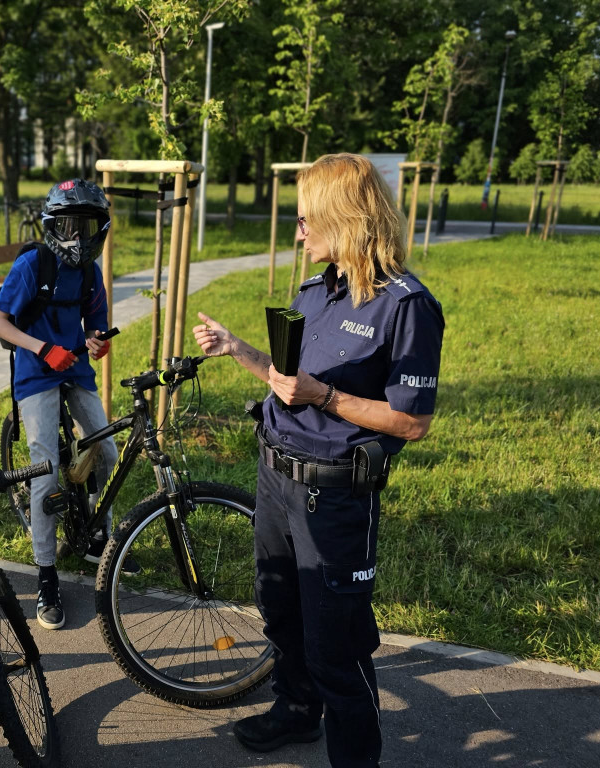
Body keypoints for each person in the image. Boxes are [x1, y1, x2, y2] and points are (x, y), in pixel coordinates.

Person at [193, 153, 444, 768]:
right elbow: (289, 382)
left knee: (337, 645)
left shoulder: (406, 306)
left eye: (306, 220)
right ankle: (297, 711)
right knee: (280, 610)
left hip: (332, 498)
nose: (299, 232)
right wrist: (237, 349)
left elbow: (412, 422)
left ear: (344, 218)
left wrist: (327, 397)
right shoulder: (315, 291)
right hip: (275, 477)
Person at [0, 178, 116, 630]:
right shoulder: (31, 265)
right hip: (36, 371)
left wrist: (97, 342)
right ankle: (46, 574)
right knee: (46, 474)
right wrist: (42, 348)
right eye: (68, 225)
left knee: (108, 451)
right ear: (52, 226)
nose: (78, 236)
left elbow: (95, 326)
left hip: (74, 367)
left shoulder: (90, 273)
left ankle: (98, 535)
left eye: (87, 226)